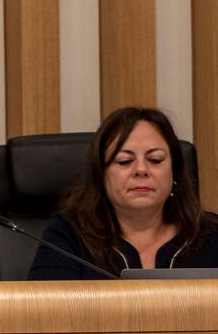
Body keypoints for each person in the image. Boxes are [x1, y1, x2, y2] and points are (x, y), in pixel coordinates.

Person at [28, 106, 218, 279]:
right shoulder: (69, 235)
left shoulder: (210, 235)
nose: (141, 169)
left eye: (155, 159)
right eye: (125, 161)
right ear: (101, 175)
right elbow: (45, 313)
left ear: (174, 171)